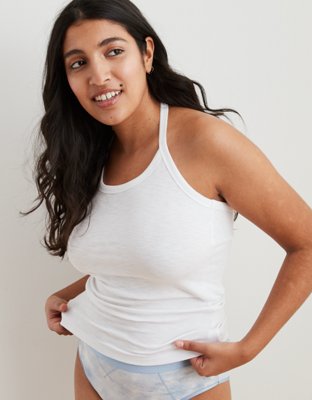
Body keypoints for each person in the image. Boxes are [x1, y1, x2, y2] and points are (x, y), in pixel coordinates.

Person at [24, 0, 312, 399]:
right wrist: (71, 294)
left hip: (184, 380)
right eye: (78, 63)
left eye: (113, 52)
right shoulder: (91, 153)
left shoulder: (205, 142)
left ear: (146, 54)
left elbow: (307, 244)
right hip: (93, 362)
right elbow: (136, 256)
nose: (98, 75)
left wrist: (249, 348)